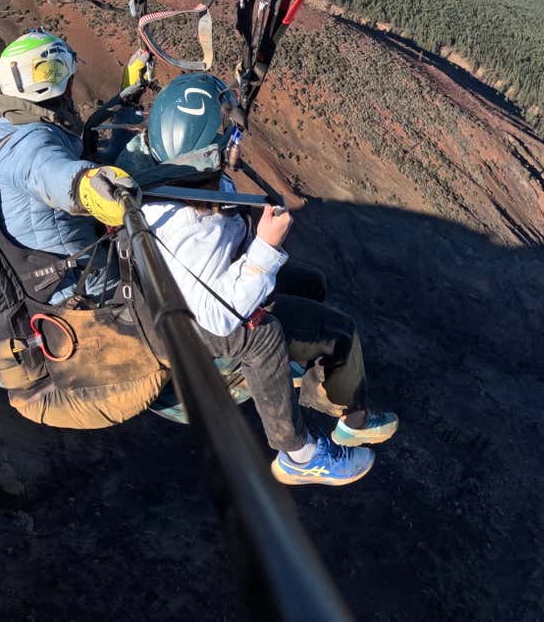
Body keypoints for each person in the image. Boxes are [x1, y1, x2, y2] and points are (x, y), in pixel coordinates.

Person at [132, 73, 399, 488]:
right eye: (228, 135)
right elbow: (219, 316)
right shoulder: (189, 224)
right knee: (338, 333)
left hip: (195, 290)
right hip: (201, 323)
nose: (233, 142)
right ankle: (313, 447)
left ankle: (305, 384)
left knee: (310, 284)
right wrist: (266, 247)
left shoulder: (173, 181)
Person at [0, 30, 138, 302]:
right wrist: (85, 186)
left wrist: (128, 103)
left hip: (77, 280)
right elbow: (50, 174)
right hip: (84, 295)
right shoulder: (29, 142)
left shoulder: (10, 129)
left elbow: (101, 159)